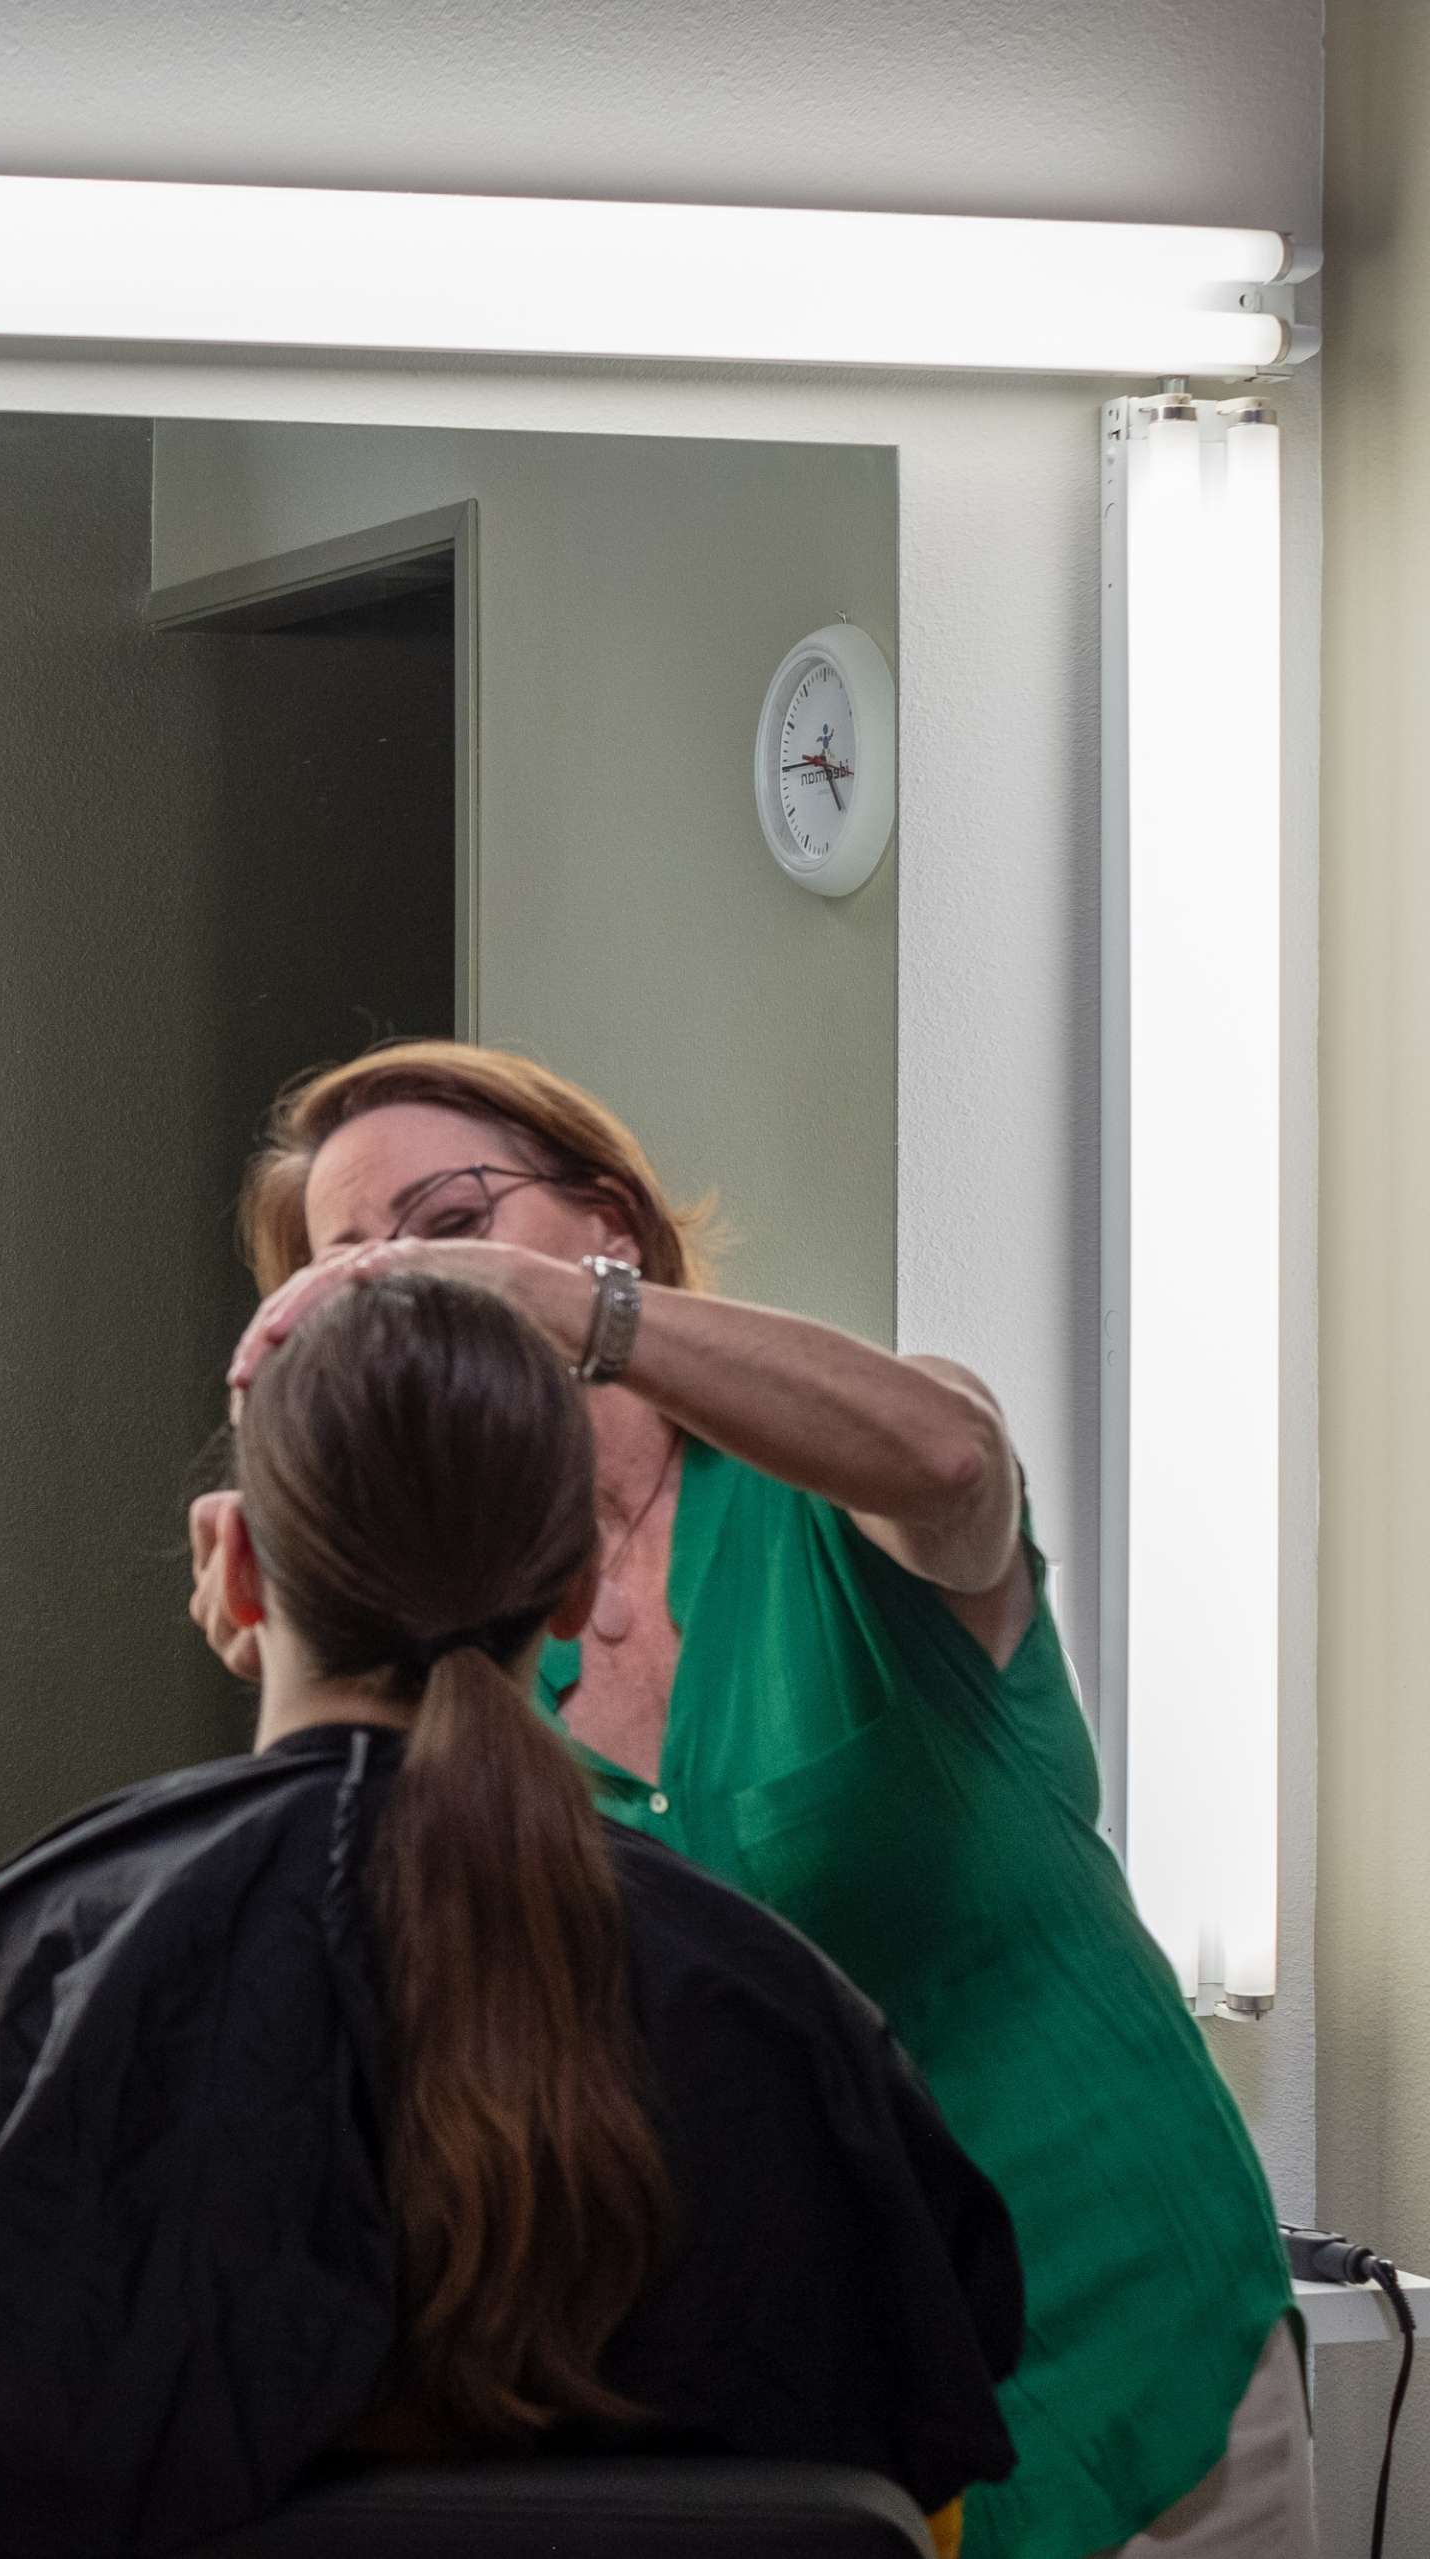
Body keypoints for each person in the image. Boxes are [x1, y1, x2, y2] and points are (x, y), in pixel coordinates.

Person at [0, 1271, 1024, 2559]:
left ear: (237, 1565)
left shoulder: (14, 1984)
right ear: (570, 1590)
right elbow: (911, 2499)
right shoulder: (777, 2019)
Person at [193, 1041, 1300, 2559]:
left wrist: (566, 1314)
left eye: (449, 1217)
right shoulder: (461, 1663)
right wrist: (291, 1647)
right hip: (817, 2455)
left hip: (1137, 2361)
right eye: (355, 1260)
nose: (411, 1272)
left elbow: (953, 1453)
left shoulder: (826, 1501)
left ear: (610, 1223)